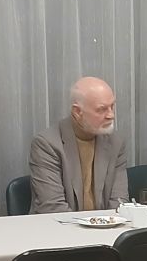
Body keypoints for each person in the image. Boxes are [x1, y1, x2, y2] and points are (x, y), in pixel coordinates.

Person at [29, 76, 128, 213]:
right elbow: (52, 207)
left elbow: (119, 202)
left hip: (105, 225)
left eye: (112, 106)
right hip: (58, 225)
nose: (111, 115)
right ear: (77, 112)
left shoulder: (116, 143)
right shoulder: (47, 144)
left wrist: (108, 223)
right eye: (102, 109)